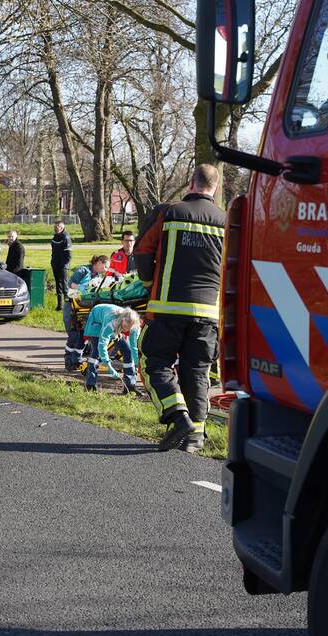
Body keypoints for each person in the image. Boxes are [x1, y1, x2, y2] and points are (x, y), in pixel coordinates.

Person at [134, 164, 226, 453]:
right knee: (197, 371)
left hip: (167, 308)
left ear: (191, 183)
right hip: (209, 313)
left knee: (154, 362)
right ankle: (196, 437)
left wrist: (149, 283)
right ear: (216, 188)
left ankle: (177, 416)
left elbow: (142, 251)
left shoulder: (168, 211)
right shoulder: (227, 221)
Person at [81, 304, 141, 394]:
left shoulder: (135, 326)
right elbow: (102, 344)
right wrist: (108, 365)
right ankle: (90, 385)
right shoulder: (112, 321)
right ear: (122, 320)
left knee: (127, 351)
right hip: (97, 318)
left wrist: (138, 364)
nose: (127, 329)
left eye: (129, 328)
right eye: (125, 327)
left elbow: (134, 348)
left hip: (115, 323)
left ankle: (130, 386)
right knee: (96, 354)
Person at [63, 254, 109, 371]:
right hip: (72, 308)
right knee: (73, 335)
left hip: (85, 308)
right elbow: (70, 285)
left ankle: (77, 360)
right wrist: (85, 289)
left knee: (83, 336)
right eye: (105, 267)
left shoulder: (98, 276)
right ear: (98, 263)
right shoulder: (83, 271)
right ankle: (69, 361)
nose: (106, 270)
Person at [50, 221, 72, 310]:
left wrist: (64, 265)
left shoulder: (66, 237)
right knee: (58, 285)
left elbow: (69, 255)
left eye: (57, 227)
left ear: (62, 227)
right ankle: (59, 306)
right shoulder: (55, 237)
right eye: (55, 226)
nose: (55, 228)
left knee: (65, 285)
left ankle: (69, 307)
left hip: (63, 265)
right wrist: (52, 262)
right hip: (55, 264)